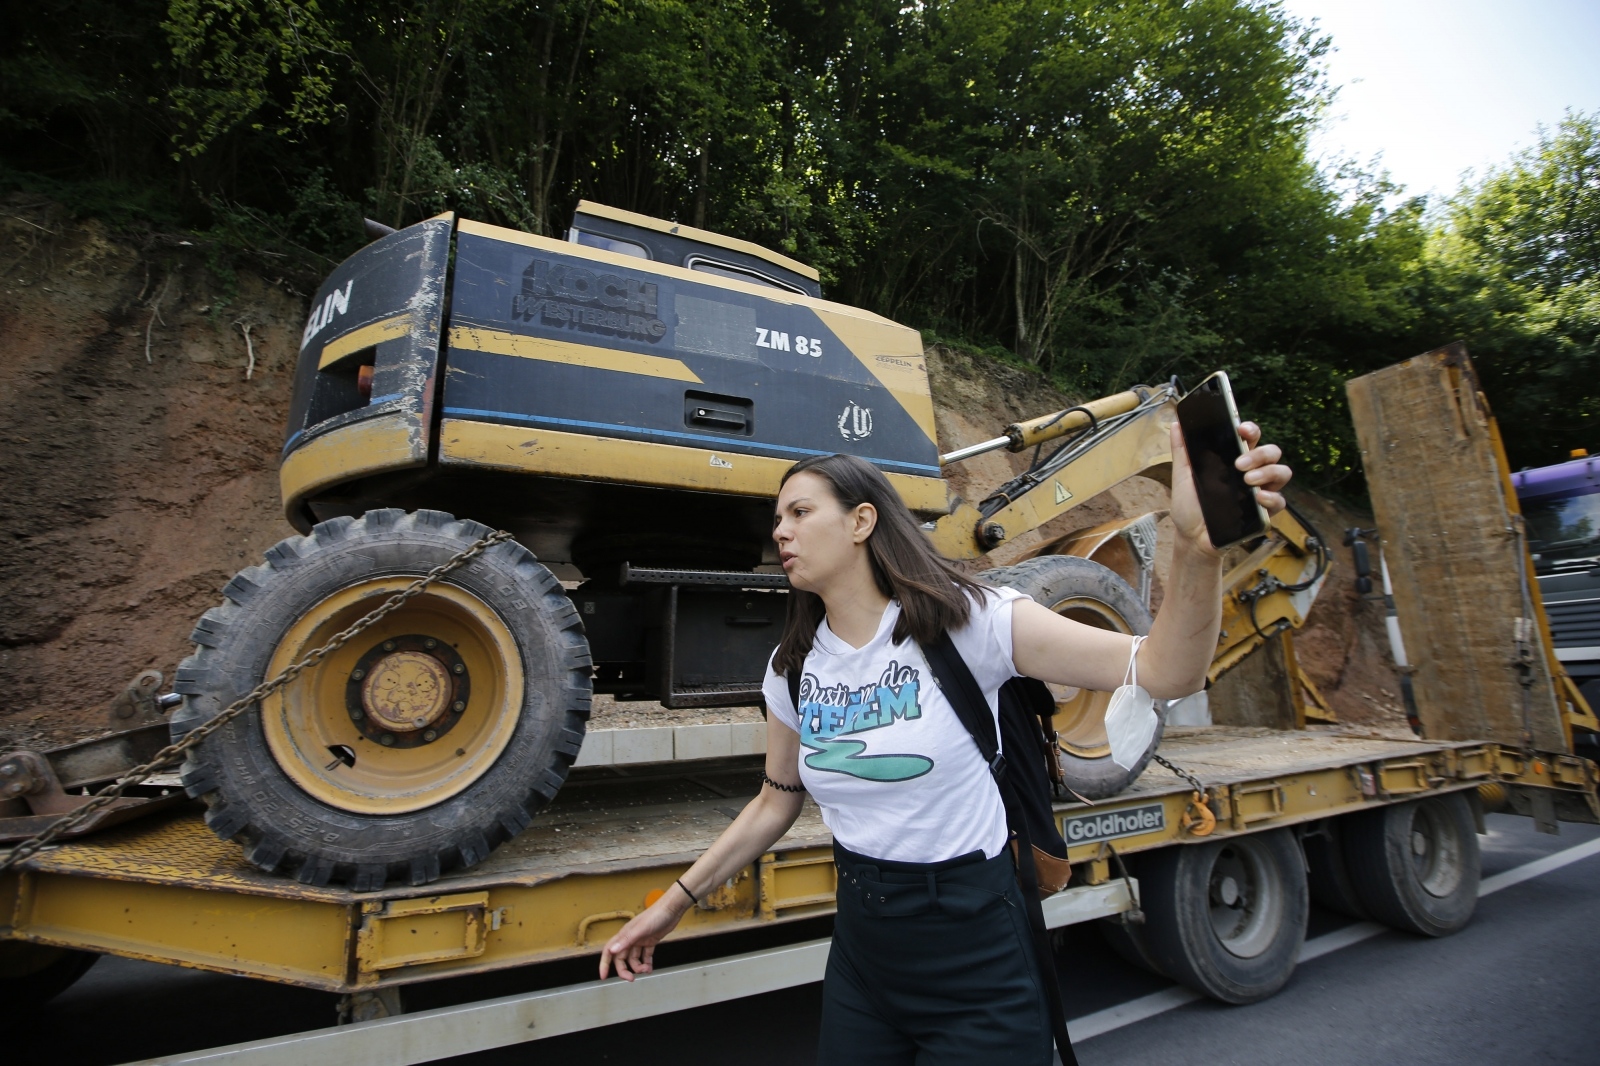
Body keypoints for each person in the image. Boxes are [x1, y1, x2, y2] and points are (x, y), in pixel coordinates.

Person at [599, 420, 1292, 1063]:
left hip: (978, 952)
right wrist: (671, 906)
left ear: (862, 521)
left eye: (800, 512)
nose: (780, 531)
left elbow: (1167, 670)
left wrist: (1198, 553)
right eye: (777, 519)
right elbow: (775, 802)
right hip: (865, 954)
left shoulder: (975, 623)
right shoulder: (794, 667)